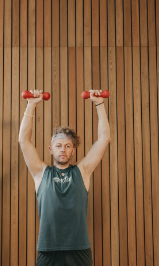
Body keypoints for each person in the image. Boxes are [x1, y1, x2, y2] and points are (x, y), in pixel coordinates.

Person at [19, 90, 110, 266]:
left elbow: (104, 138)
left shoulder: (82, 171)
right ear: (50, 149)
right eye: (58, 145)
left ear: (73, 151)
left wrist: (99, 104)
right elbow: (23, 140)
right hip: (48, 249)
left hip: (79, 249)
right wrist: (31, 105)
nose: (63, 149)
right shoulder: (40, 173)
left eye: (68, 146)